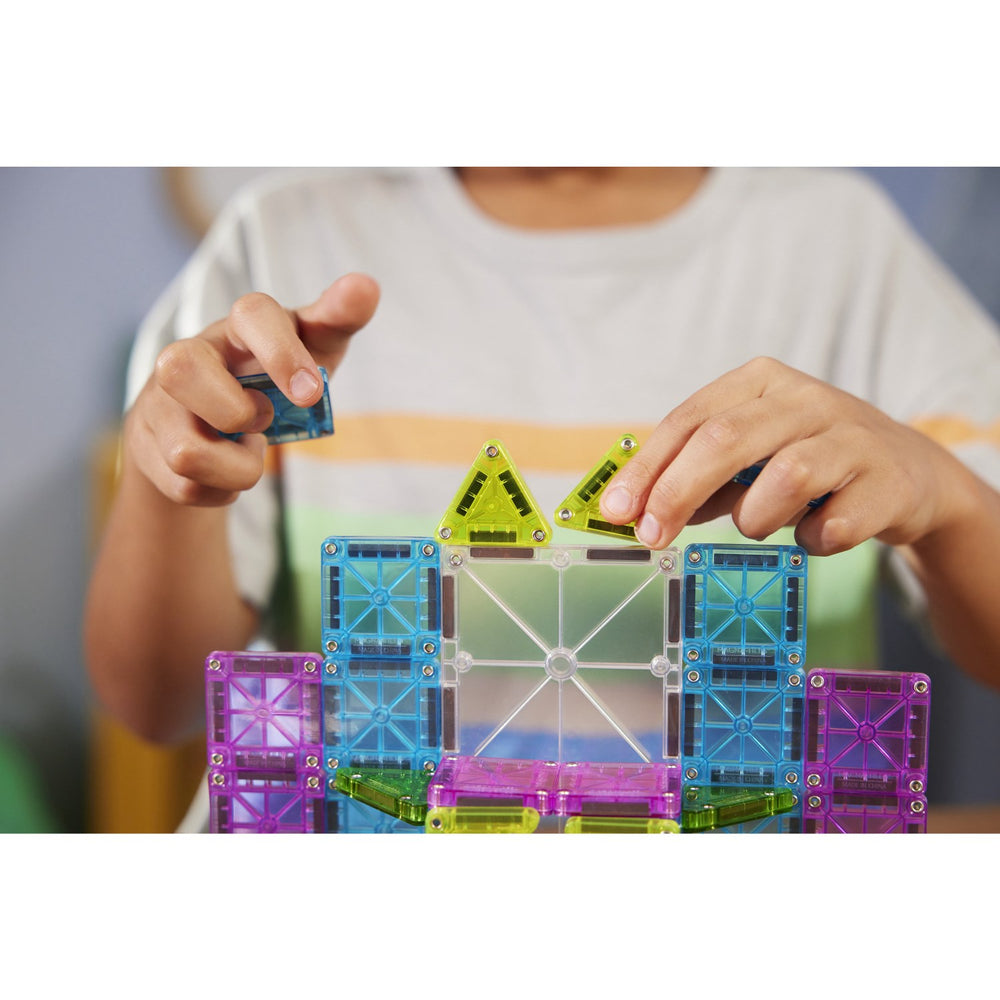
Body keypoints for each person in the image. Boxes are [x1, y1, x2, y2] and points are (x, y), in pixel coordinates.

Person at [84, 167, 1000, 747]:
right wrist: (171, 483)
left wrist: (946, 496)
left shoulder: (842, 243)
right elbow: (156, 706)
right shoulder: (277, 236)